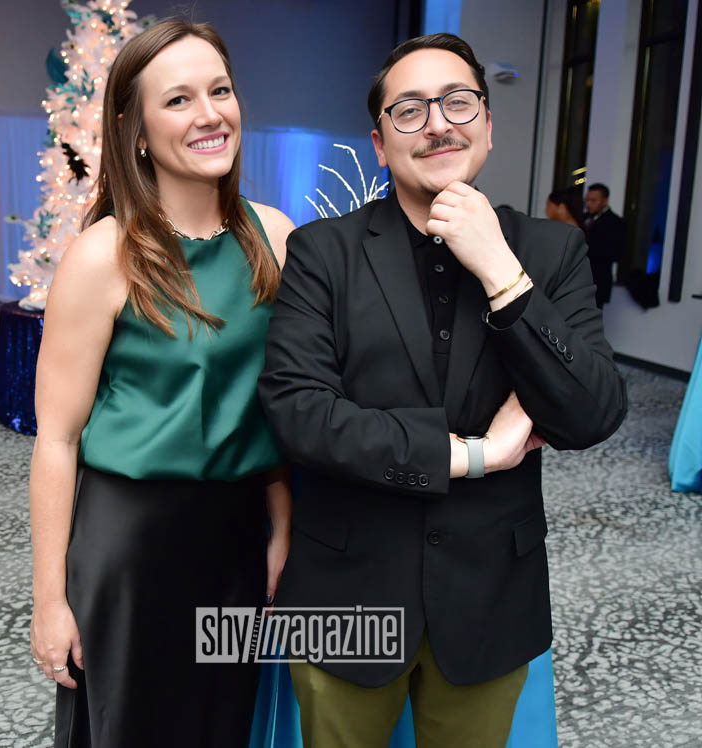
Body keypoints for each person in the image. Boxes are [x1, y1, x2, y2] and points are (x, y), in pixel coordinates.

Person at [259, 33, 627, 748]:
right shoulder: (323, 251)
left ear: (487, 124)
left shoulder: (550, 253)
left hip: (491, 595)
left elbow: (592, 412)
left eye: (457, 102)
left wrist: (501, 273)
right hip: (346, 588)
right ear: (378, 143)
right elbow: (299, 414)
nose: (437, 123)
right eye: (409, 110)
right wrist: (474, 454)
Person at [28, 20, 294, 747]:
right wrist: (49, 601)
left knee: (223, 726)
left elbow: (277, 401)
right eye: (178, 100)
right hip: (132, 543)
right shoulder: (103, 255)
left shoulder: (275, 236)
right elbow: (57, 439)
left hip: (237, 536)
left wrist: (281, 523)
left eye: (220, 91)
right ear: (138, 132)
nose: (210, 114)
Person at [584, 182, 626, 308]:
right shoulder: (583, 218)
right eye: (587, 200)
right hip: (580, 281)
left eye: (593, 200)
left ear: (605, 200)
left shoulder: (615, 222)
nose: (588, 204)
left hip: (598, 280)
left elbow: (615, 253)